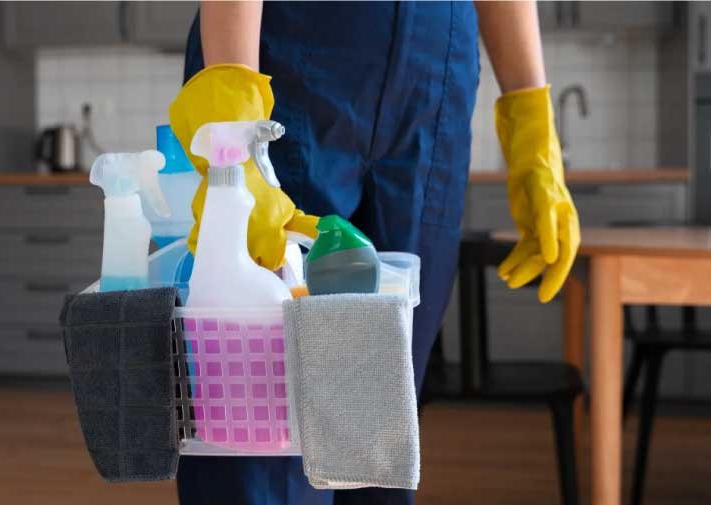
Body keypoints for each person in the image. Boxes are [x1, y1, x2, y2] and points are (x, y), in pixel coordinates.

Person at [169, 2, 580, 504]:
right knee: (263, 426)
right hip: (285, 55)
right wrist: (231, 110)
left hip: (435, 73)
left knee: (380, 416)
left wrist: (530, 123)